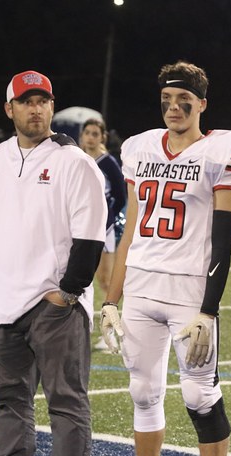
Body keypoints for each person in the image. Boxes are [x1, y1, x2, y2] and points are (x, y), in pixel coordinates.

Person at [97, 61, 231, 456]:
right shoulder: (140, 148)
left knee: (199, 395)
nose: (173, 107)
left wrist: (209, 309)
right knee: (142, 391)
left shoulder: (222, 151)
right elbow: (129, 230)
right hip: (143, 288)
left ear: (202, 104)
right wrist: (111, 299)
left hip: (189, 290)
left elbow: (224, 234)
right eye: (167, 99)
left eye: (184, 99)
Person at [0, 70, 107, 456]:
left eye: (43, 100)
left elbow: (91, 237)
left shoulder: (73, 161)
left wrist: (69, 292)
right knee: (9, 400)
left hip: (52, 304)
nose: (36, 108)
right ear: (10, 109)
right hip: (0, 302)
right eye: (26, 101)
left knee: (65, 400)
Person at [79, 117, 127, 325]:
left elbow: (121, 195)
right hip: (80, 225)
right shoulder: (77, 158)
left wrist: (108, 217)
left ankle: (113, 324)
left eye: (95, 134)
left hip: (103, 227)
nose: (90, 138)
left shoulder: (108, 162)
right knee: (79, 276)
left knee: (105, 280)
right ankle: (83, 322)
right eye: (87, 133)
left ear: (103, 137)